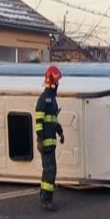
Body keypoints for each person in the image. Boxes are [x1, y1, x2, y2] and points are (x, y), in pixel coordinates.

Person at [35, 65, 65, 211]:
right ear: (52, 82)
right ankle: (46, 200)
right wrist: (40, 140)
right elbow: (39, 122)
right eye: (57, 82)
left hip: (50, 143)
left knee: (48, 170)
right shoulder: (44, 100)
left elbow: (53, 120)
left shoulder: (52, 100)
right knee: (50, 171)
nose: (58, 85)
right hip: (46, 143)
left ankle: (44, 196)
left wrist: (60, 132)